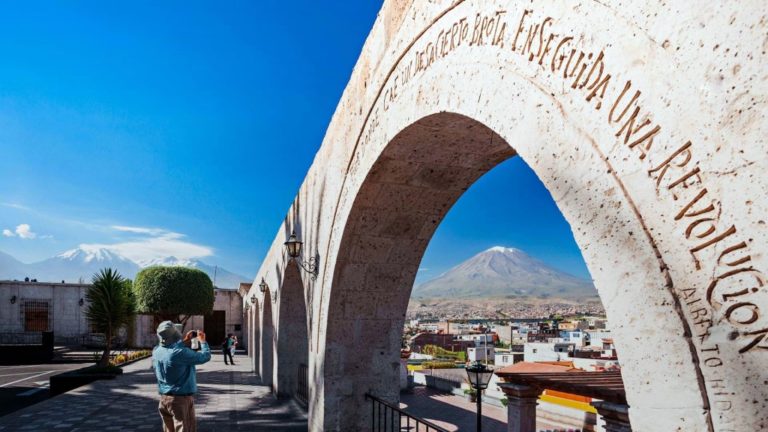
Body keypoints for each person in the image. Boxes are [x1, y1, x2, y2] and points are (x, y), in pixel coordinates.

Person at [152, 321, 211, 432]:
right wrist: (203, 341)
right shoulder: (179, 353)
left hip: (164, 400)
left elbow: (170, 349)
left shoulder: (156, 351)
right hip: (180, 400)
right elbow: (205, 356)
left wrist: (185, 341)